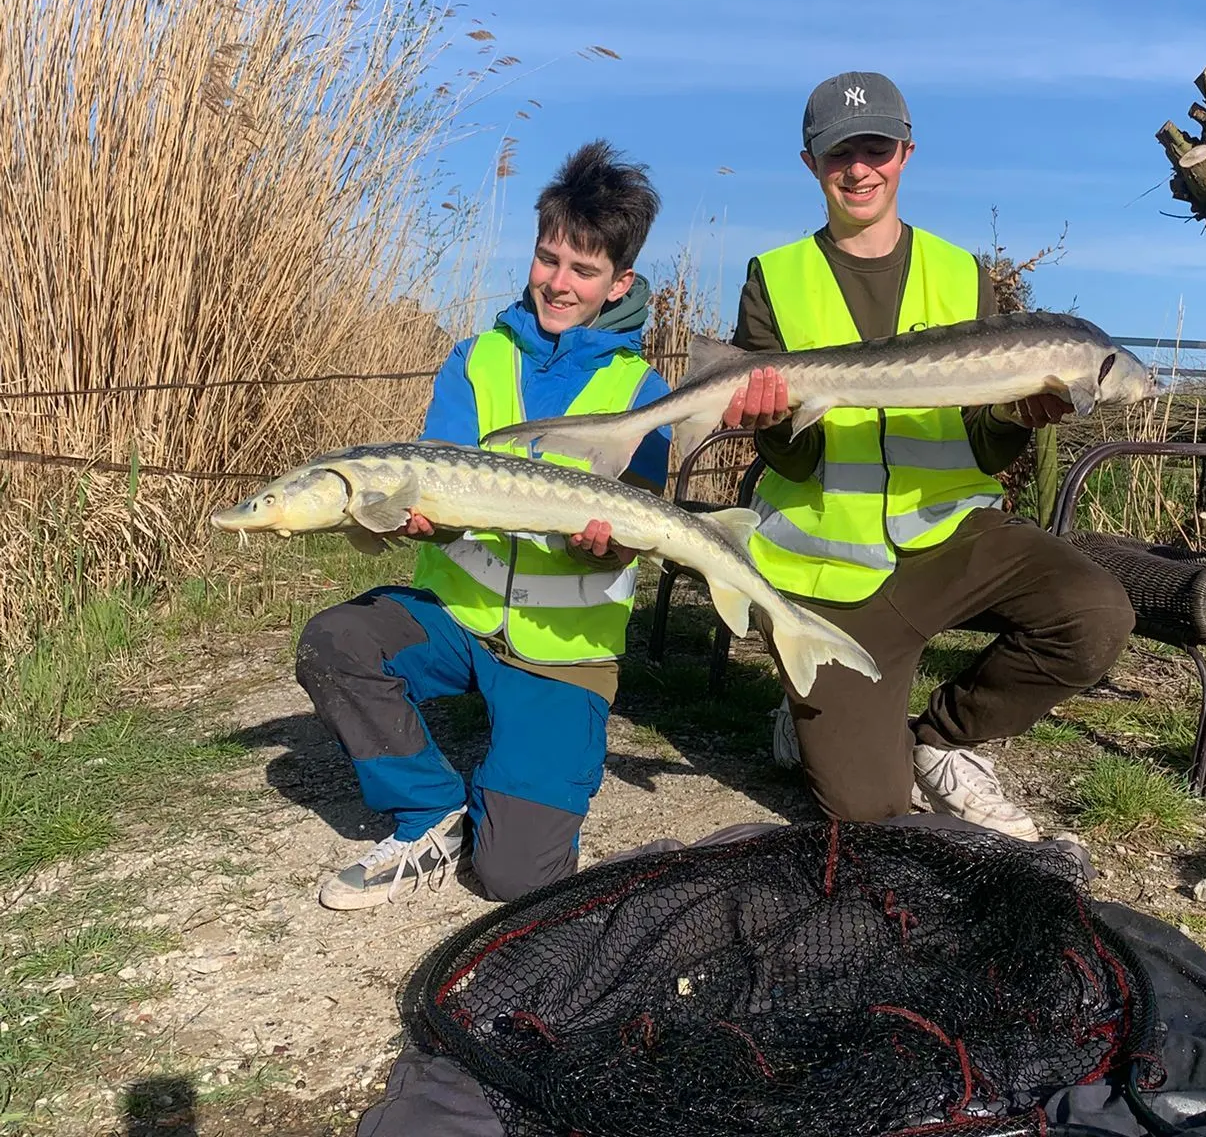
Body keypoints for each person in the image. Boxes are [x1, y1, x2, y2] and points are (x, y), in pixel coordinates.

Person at [722, 72, 1136, 838]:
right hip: (830, 568)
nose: (859, 168)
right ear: (811, 163)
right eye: (839, 152)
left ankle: (946, 740)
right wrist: (770, 424)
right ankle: (808, 706)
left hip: (951, 538)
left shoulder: (962, 273)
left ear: (906, 154)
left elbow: (980, 448)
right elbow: (791, 464)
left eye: (875, 148)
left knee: (1095, 611)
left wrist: (1021, 419)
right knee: (870, 815)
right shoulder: (772, 277)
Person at [295, 140, 672, 909]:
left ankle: (521, 786)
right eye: (548, 260)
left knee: (514, 879)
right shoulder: (475, 360)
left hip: (564, 653)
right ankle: (428, 809)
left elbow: (635, 531)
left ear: (619, 282)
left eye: (583, 270)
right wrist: (407, 523)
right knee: (335, 642)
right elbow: (430, 497)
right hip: (456, 620)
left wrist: (604, 543)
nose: (558, 283)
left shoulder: (643, 389)